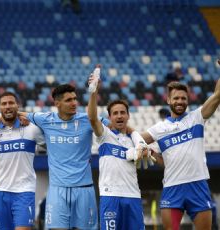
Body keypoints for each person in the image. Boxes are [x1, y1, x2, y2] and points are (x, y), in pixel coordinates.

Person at [0, 84, 106, 229]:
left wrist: (138, 139)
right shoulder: (45, 119)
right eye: (69, 100)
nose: (74, 103)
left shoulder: (87, 120)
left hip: (83, 188)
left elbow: (115, 128)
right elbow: (11, 113)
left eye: (75, 99)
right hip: (57, 190)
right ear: (57, 103)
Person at [141, 79, 220, 230]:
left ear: (188, 100)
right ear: (168, 99)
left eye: (183, 98)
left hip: (197, 185)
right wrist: (147, 150)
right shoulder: (159, 129)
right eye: (176, 98)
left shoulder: (197, 117)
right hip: (172, 188)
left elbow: (217, 95)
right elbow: (135, 140)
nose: (180, 101)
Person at [87, 74, 155, 230]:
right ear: (110, 118)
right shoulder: (105, 135)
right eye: (115, 113)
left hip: (133, 197)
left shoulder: (135, 139)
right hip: (110, 196)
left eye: (122, 112)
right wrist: (93, 92)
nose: (119, 116)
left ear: (128, 116)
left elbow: (143, 149)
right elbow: (92, 117)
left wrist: (143, 150)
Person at [0, 92, 45, 229]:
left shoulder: (32, 129)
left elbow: (49, 122)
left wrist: (25, 116)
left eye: (11, 103)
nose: (8, 106)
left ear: (17, 105)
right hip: (0, 191)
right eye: (4, 104)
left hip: (24, 191)